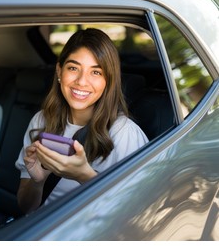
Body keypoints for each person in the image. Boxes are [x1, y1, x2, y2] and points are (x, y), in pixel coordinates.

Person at [15, 28, 148, 214]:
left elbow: (134, 214)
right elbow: (25, 208)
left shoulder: (125, 133)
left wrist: (83, 176)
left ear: (108, 81)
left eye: (96, 72)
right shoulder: (41, 120)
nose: (82, 82)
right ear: (59, 71)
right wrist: (38, 182)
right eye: (73, 68)